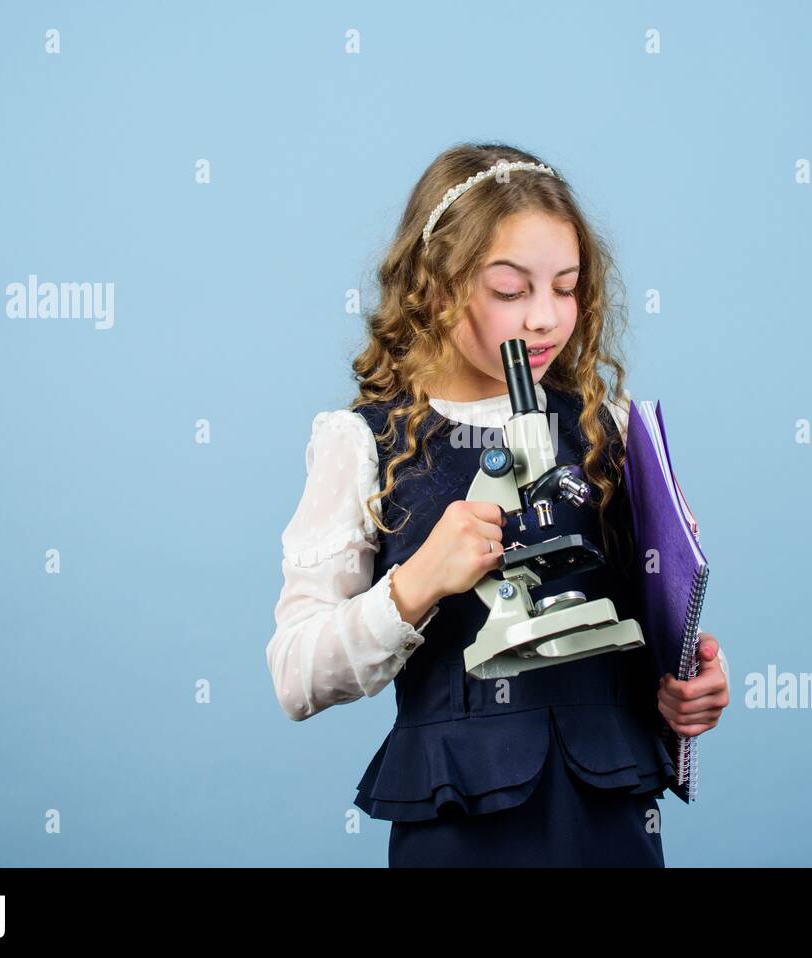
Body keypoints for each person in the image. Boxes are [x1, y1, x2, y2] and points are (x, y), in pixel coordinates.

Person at [265, 142, 729, 867]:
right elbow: (295, 676)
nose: (545, 318)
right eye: (511, 291)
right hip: (460, 820)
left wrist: (686, 689)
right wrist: (417, 582)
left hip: (611, 815)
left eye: (567, 287)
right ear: (436, 287)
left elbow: (660, 614)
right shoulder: (362, 444)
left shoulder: (611, 424)